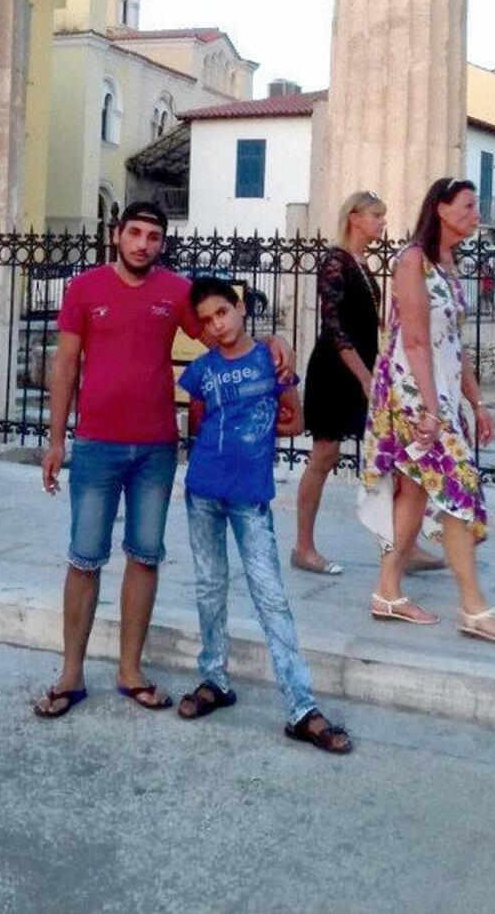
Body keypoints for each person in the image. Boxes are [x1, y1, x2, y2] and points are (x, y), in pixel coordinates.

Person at [33, 200, 294, 719]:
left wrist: (270, 337)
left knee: (145, 556)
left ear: (162, 244)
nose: (143, 245)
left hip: (155, 446)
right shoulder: (84, 288)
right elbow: (64, 365)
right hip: (95, 444)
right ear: (117, 235)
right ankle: (71, 674)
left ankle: (130, 671)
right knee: (84, 557)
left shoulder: (175, 292)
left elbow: (223, 335)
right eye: (135, 233)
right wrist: (56, 439)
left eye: (153, 236)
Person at [176, 277, 352, 754]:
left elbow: (294, 419)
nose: (217, 326)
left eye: (222, 313)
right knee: (210, 587)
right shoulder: (201, 371)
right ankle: (214, 677)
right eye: (207, 321)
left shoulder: (271, 361)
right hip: (203, 493)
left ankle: (301, 706)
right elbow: (197, 424)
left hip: (250, 497)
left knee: (269, 596)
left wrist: (263, 421)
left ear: (238, 308)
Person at [358, 178, 495, 642]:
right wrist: (432, 410)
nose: (476, 213)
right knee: (458, 488)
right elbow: (412, 339)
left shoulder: (449, 264)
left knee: (414, 490)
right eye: (468, 206)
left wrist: (476, 401)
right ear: (442, 209)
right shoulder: (412, 259)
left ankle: (387, 591)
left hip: (441, 391)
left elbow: (453, 343)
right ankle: (473, 605)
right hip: (413, 393)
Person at [293, 191, 387, 574]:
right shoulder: (335, 262)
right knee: (324, 456)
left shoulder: (363, 264)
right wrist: (365, 377)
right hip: (336, 372)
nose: (383, 222)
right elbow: (334, 328)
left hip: (363, 369)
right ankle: (303, 546)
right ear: (355, 217)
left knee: (388, 455)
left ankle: (402, 543)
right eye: (377, 215)